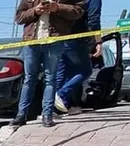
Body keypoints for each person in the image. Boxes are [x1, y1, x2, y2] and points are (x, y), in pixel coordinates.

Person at [13, 0, 84, 128]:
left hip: (55, 41)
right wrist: (34, 11)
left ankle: (47, 114)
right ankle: (21, 115)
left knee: (50, 79)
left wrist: (57, 7)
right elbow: (19, 18)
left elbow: (78, 11)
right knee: (29, 79)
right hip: (31, 42)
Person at [54, 0, 101, 115]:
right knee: (85, 71)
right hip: (76, 38)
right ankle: (61, 94)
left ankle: (52, 109)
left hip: (58, 36)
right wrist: (98, 41)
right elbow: (93, 19)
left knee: (62, 73)